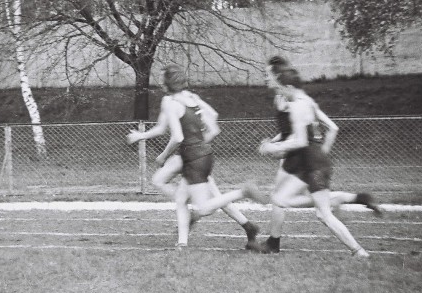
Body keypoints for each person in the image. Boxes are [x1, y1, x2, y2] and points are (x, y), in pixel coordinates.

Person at [191, 57, 381, 257]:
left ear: (287, 85)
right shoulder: (306, 101)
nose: (278, 93)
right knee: (280, 199)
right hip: (308, 163)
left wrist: (273, 148)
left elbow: (299, 140)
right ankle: (279, 239)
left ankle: (359, 251)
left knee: (322, 214)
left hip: (310, 164)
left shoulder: (297, 106)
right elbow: (324, 130)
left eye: (279, 86)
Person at [127, 65, 260, 249]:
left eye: (161, 78)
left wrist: (163, 156)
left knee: (204, 205)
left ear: (167, 83)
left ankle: (243, 195)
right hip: (195, 154)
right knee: (172, 189)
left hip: (193, 157)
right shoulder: (191, 97)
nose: (159, 82)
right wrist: (141, 136)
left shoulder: (170, 102)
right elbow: (212, 119)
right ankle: (183, 243)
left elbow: (178, 137)